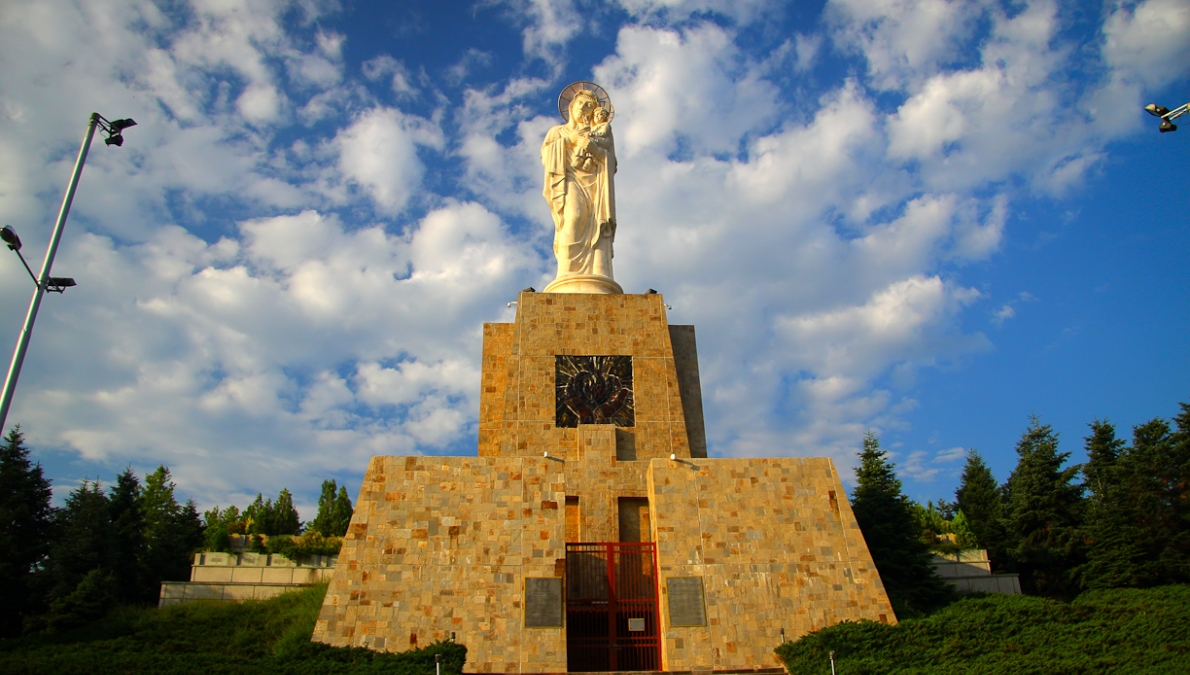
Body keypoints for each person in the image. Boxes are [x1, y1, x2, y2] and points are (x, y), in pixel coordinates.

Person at [541, 91, 617, 283]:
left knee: (597, 224)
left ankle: (598, 273)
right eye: (581, 103)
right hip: (570, 181)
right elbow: (546, 156)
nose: (584, 108)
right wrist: (570, 140)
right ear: (572, 106)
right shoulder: (558, 132)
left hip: (596, 185)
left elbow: (611, 162)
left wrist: (595, 149)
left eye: (589, 106)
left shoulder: (600, 131)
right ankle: (568, 273)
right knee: (574, 217)